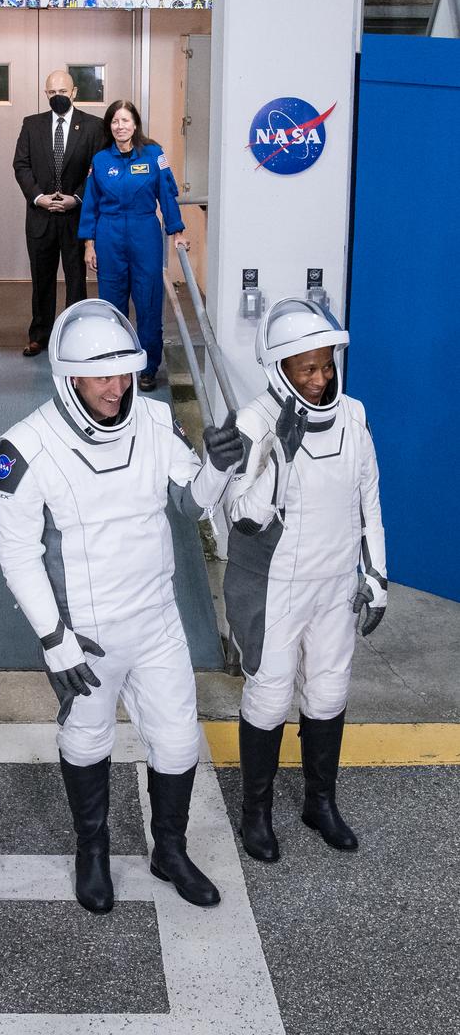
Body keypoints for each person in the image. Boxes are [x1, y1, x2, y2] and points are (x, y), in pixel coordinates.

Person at [0, 299, 243, 912]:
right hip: (86, 636)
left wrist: (216, 469)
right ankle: (92, 851)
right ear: (68, 377)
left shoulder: (155, 419)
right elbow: (18, 556)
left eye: (124, 373)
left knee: (178, 742)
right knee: (87, 741)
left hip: (157, 620)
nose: (116, 388)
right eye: (101, 376)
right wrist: (54, 640)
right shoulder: (24, 446)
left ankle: (170, 850)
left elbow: (188, 503)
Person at [225, 297, 387, 863]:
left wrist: (377, 574)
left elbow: (369, 502)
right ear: (280, 370)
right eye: (307, 369)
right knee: (269, 697)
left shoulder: (354, 415)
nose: (320, 380)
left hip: (336, 583)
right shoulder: (252, 423)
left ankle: (321, 802)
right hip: (276, 589)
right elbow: (241, 517)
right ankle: (256, 814)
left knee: (328, 692)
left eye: (326, 366)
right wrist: (279, 457)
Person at [79, 99, 189, 392]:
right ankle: (118, 363)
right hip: (109, 235)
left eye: (125, 120)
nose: (120, 126)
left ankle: (148, 367)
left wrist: (177, 232)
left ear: (135, 124)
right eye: (115, 121)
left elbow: (167, 195)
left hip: (144, 235)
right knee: (112, 305)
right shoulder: (101, 160)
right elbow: (90, 205)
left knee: (148, 302)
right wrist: (89, 245)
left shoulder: (154, 154)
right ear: (109, 126)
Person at [13, 69, 104, 357]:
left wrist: (76, 198)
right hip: (40, 216)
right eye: (52, 92)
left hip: (76, 217)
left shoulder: (93, 126)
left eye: (63, 92)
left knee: (76, 280)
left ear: (74, 92)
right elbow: (21, 165)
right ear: (45, 94)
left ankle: (75, 335)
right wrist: (38, 197)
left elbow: (97, 171)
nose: (57, 97)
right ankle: (40, 335)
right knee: (41, 279)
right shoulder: (32, 124)